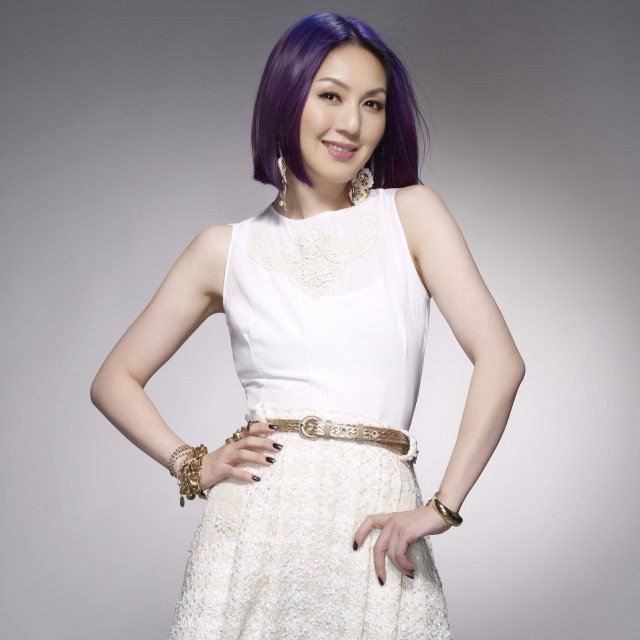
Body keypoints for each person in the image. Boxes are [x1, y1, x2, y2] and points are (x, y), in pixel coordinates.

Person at [90, 12, 525, 640]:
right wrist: (193, 464)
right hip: (251, 530)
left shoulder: (411, 214)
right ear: (285, 98)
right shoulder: (224, 250)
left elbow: (501, 362)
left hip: (373, 529)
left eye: (372, 104)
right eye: (330, 96)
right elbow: (114, 379)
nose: (351, 123)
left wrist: (441, 507)